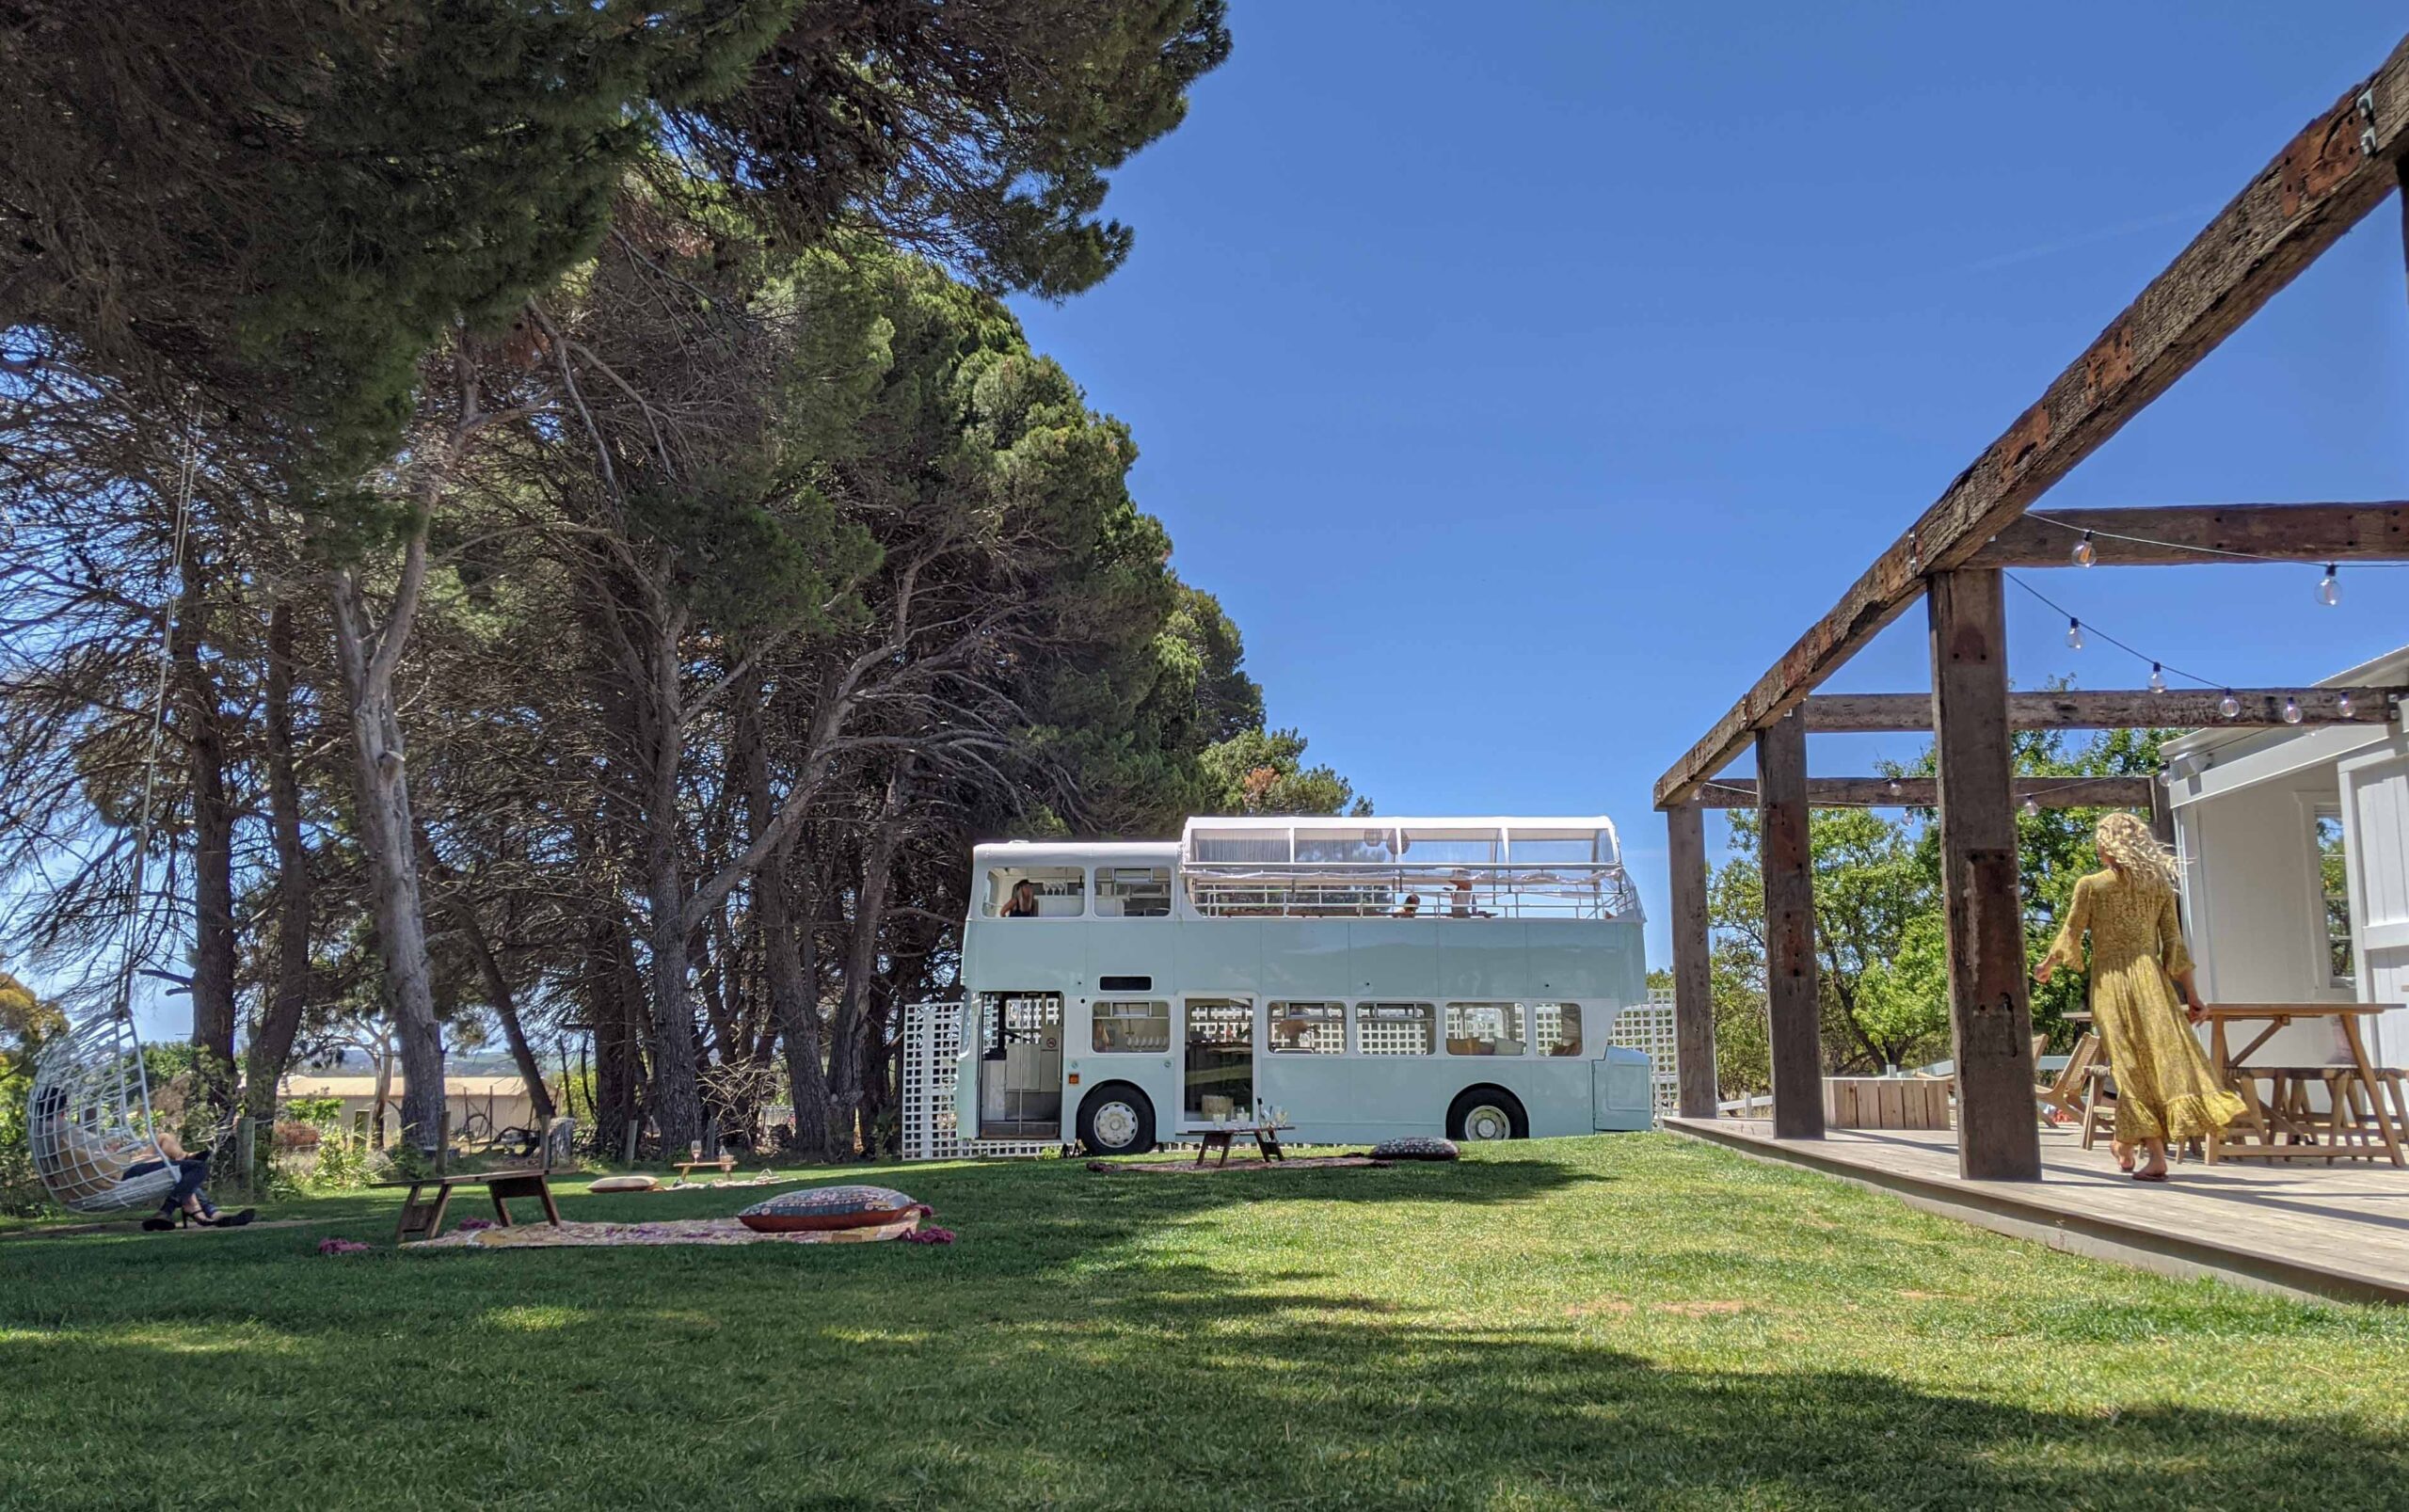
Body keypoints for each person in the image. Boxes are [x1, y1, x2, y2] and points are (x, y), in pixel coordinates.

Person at [2034, 812, 2244, 1182]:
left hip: (2111, 984)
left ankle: (2155, 1156)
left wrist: (2047, 965)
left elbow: (2071, 932)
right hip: (2153, 984)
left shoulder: (2092, 886)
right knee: (2152, 1062)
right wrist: (2194, 996)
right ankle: (2127, 1143)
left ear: (2106, 845)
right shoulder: (2159, 886)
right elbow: (2174, 947)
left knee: (2130, 1067)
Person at [130, 1131, 254, 1231]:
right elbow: (115, 1166)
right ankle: (208, 1211)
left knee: (164, 1138)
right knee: (195, 1167)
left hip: (123, 1166)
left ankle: (188, 1209)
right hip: (120, 1171)